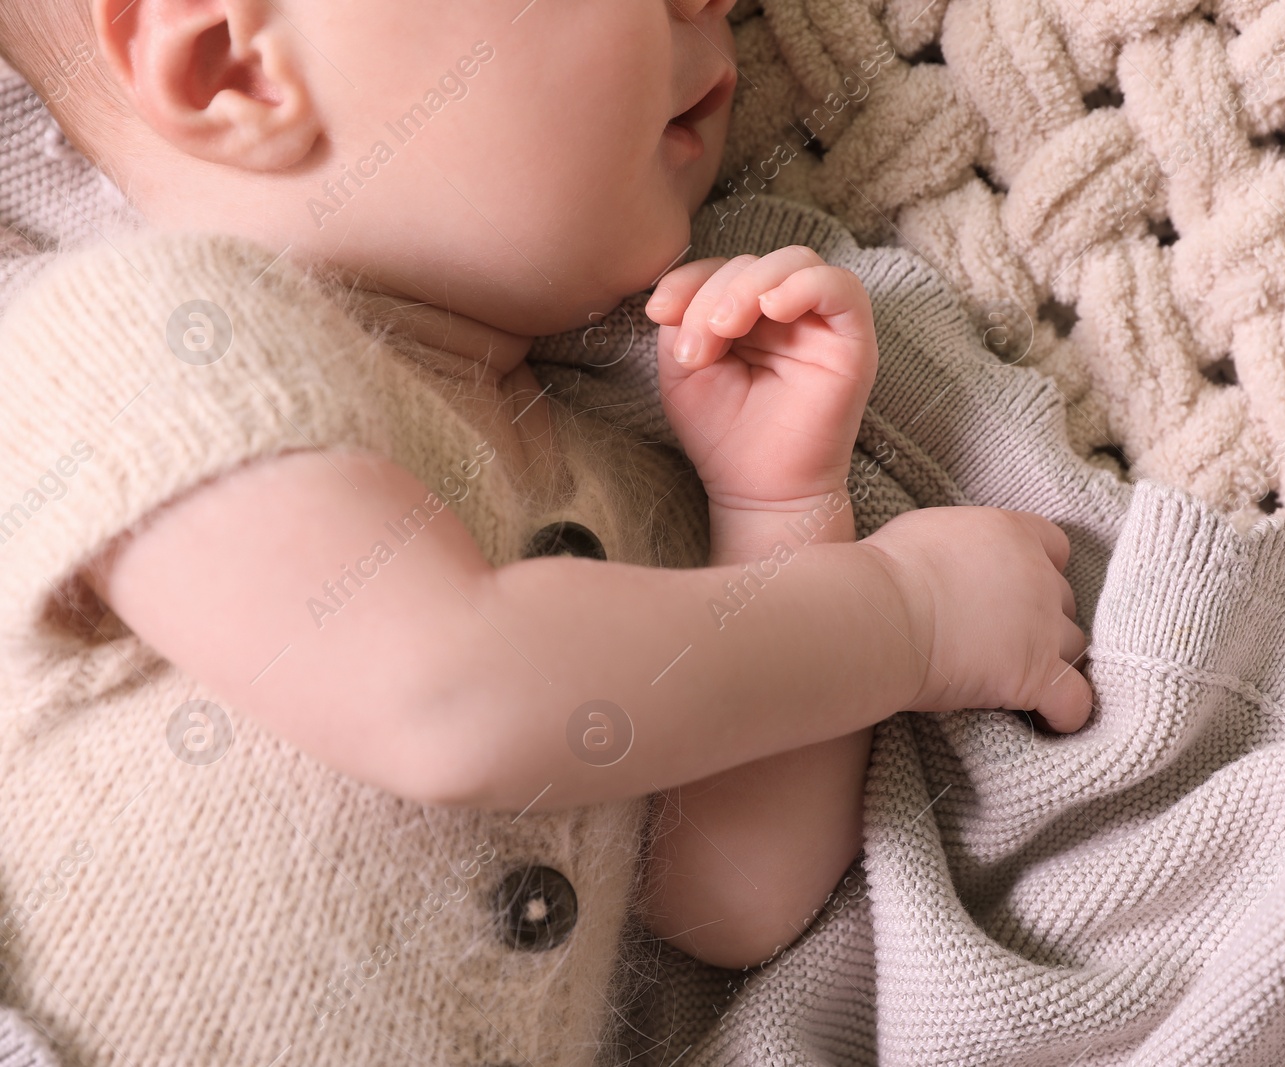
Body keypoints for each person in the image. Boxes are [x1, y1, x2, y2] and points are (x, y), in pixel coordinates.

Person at [0, 1, 1090, 1062]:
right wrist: (902, 615)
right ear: (227, 66)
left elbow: (731, 900)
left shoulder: (612, 483)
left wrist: (776, 514)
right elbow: (442, 691)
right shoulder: (149, 341)